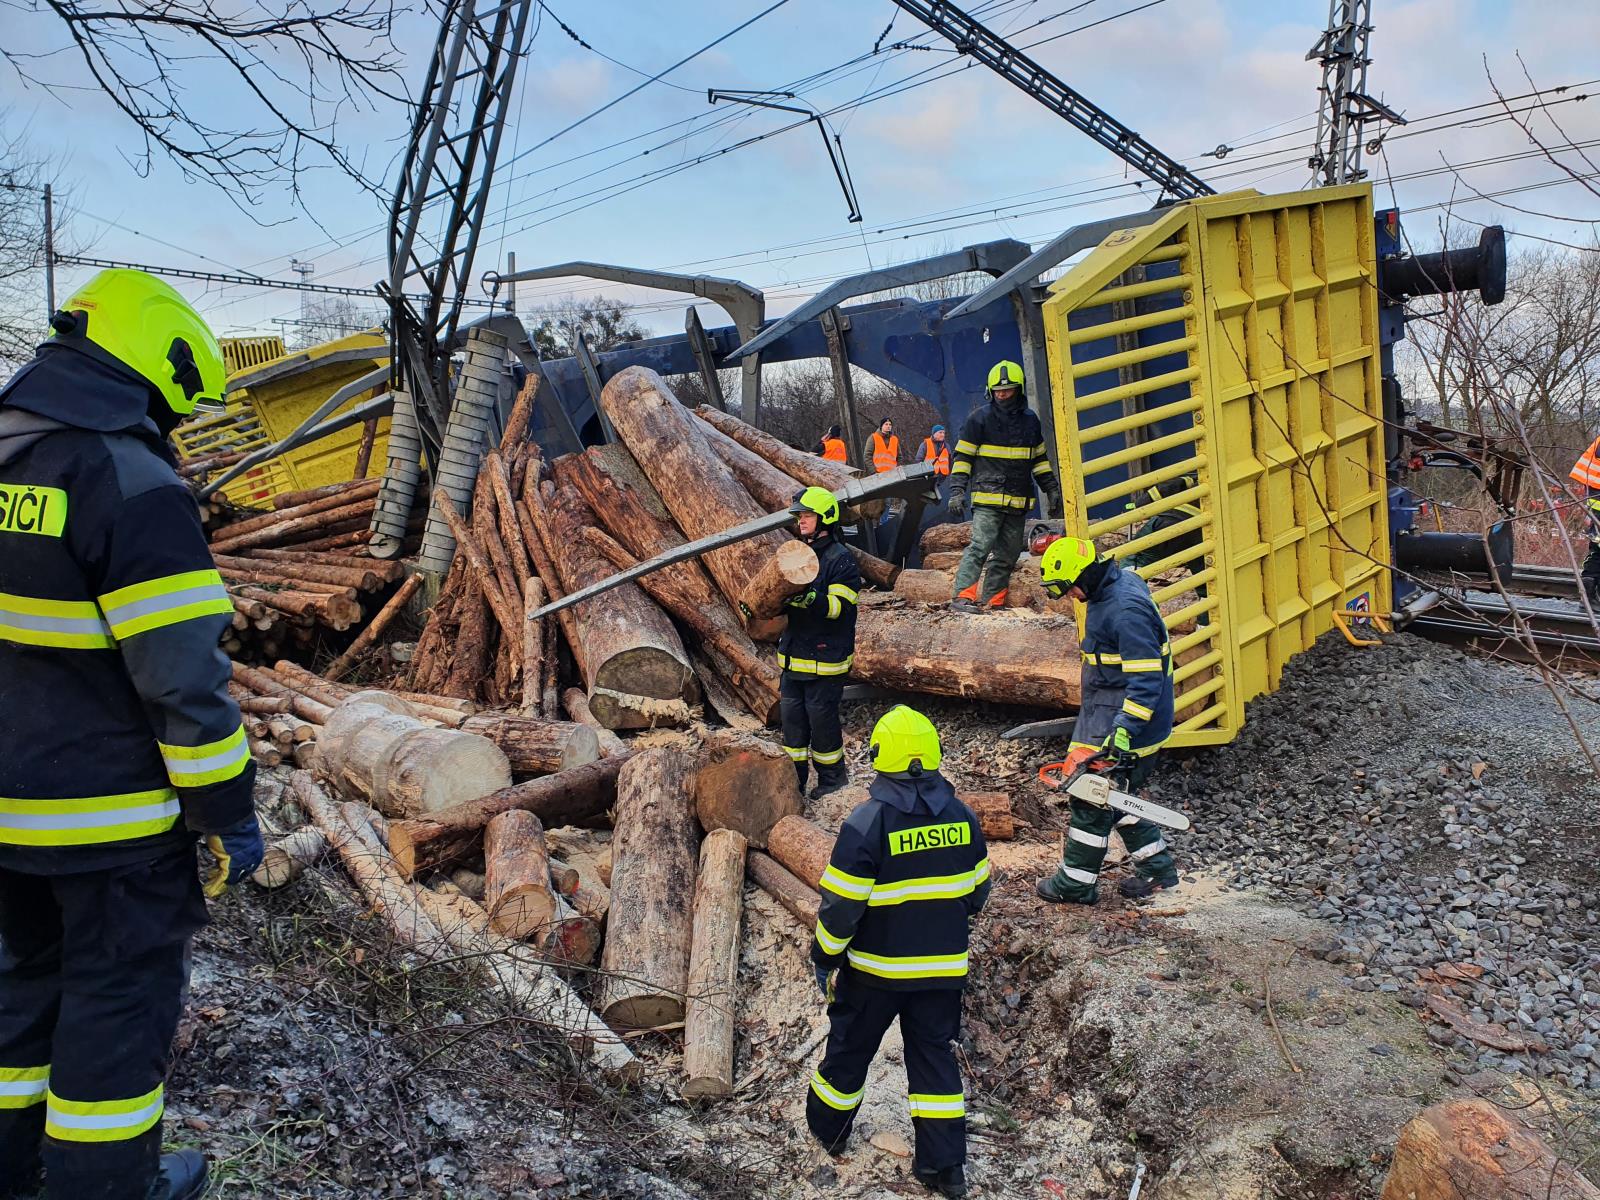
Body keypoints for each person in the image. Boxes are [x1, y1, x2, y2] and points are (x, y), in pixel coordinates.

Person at [0, 268, 264, 1200]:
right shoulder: (131, 481)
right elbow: (186, 686)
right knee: (116, 1011)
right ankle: (107, 1188)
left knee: (20, 999)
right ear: (153, 370)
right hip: (106, 828)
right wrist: (227, 812)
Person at [806, 706, 988, 1200]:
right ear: (934, 757)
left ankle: (827, 1132)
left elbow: (841, 909)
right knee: (934, 1061)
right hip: (942, 974)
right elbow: (977, 893)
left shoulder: (867, 823)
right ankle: (944, 1168)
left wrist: (824, 956)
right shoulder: (963, 818)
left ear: (880, 759)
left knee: (849, 1051)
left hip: (874, 975)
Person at [1032, 537, 1178, 905]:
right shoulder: (1108, 589)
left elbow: (1147, 680)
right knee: (1117, 799)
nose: (1072, 597)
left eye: (1071, 589)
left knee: (1092, 799)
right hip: (1103, 709)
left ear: (1086, 574)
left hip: (1128, 719)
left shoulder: (1126, 609)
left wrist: (1125, 730)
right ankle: (1157, 868)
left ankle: (1076, 884)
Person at [948, 360, 1061, 612]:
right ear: (990, 391)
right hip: (988, 499)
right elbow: (963, 458)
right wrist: (956, 491)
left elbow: (1039, 461)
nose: (1002, 395)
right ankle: (962, 598)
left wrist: (1051, 489)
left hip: (1017, 501)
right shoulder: (979, 420)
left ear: (1018, 390)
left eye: (1007, 390)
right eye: (998, 391)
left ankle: (992, 602)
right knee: (980, 546)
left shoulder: (1031, 421)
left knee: (1007, 556)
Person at [779, 487, 862, 800]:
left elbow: (839, 609)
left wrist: (812, 598)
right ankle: (794, 783)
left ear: (825, 517)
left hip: (825, 661)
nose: (802, 520)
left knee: (821, 723)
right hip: (794, 658)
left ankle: (832, 781)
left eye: (808, 514)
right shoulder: (799, 556)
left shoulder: (841, 561)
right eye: (800, 515)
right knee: (793, 728)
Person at [1569, 435, 1600, 605]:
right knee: (1598, 549)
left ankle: (1591, 590)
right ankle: (1589, 593)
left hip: (1595, 501)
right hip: (1598, 501)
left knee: (1597, 547)